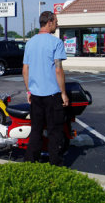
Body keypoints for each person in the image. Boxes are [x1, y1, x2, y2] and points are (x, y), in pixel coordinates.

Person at [22, 11, 69, 166]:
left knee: (36, 130)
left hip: (35, 95)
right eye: (56, 21)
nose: (58, 24)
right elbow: (58, 69)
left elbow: (25, 69)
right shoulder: (56, 42)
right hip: (52, 95)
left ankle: (30, 164)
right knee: (55, 132)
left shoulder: (30, 43)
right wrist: (63, 93)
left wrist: (28, 91)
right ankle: (55, 165)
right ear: (49, 22)